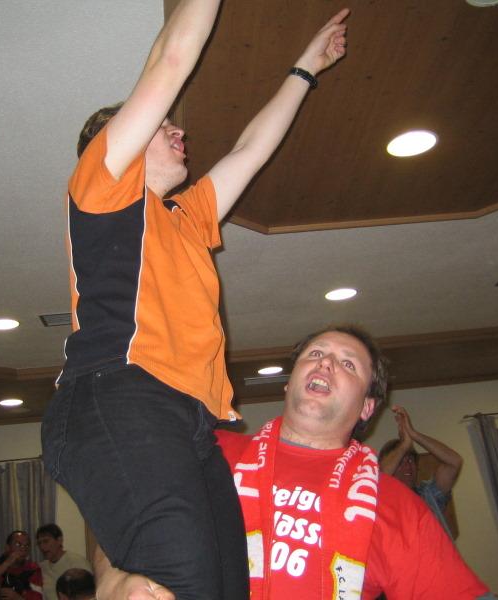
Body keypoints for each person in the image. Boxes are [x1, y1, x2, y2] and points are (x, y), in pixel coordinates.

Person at [41, 2, 351, 599]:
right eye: (162, 125)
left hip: (188, 419)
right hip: (119, 394)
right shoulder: (103, 189)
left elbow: (250, 151)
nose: (179, 131)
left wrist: (305, 70)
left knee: (230, 588)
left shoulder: (185, 218)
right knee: (182, 585)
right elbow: (171, 59)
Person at [95, 325, 497, 600]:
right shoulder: (206, 451)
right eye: (316, 354)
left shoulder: (398, 508)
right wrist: (113, 582)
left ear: (367, 407)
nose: (325, 363)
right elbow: (119, 519)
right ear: (289, 382)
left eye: (348, 363)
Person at [379, 404, 463, 538]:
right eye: (401, 461)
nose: (408, 465)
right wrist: (404, 445)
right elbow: (379, 481)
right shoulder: (381, 502)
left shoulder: (428, 495)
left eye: (411, 460)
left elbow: (454, 462)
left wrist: (413, 434)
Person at [0, 530, 43, 600]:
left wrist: (17, 598)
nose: (23, 549)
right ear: (7, 547)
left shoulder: (33, 569)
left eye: (27, 545)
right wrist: (7, 563)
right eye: (18, 544)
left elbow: (38, 597)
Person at [36, 524, 92, 600]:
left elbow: (88, 593)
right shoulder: (41, 567)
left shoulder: (77, 562)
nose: (42, 547)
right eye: (39, 543)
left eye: (46, 541)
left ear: (59, 540)